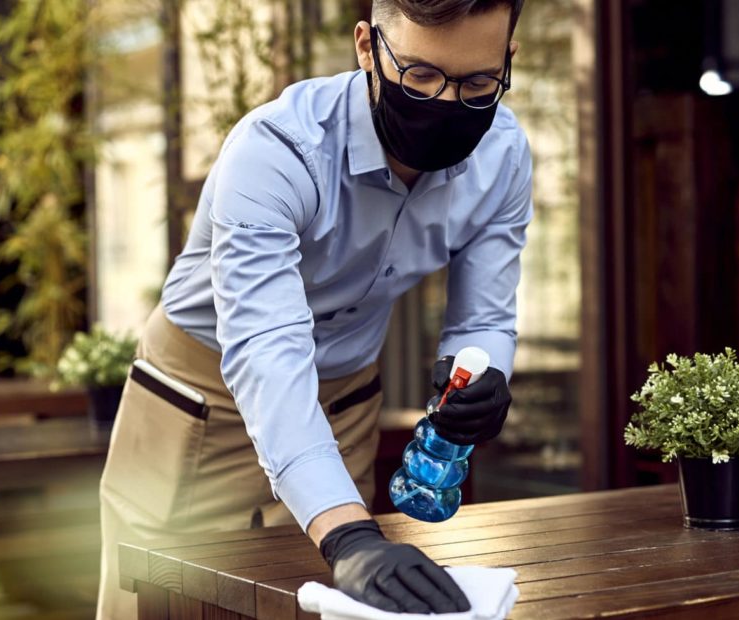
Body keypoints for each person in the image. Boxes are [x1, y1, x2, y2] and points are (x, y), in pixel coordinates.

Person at [96, 0, 529, 616]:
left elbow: (483, 317)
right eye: (421, 77)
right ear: (366, 47)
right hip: (199, 400)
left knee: (329, 607)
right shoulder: (276, 149)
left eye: (478, 84)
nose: (444, 103)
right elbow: (266, 350)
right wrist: (348, 534)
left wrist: (482, 375)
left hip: (345, 399)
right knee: (158, 599)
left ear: (508, 62)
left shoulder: (503, 154)